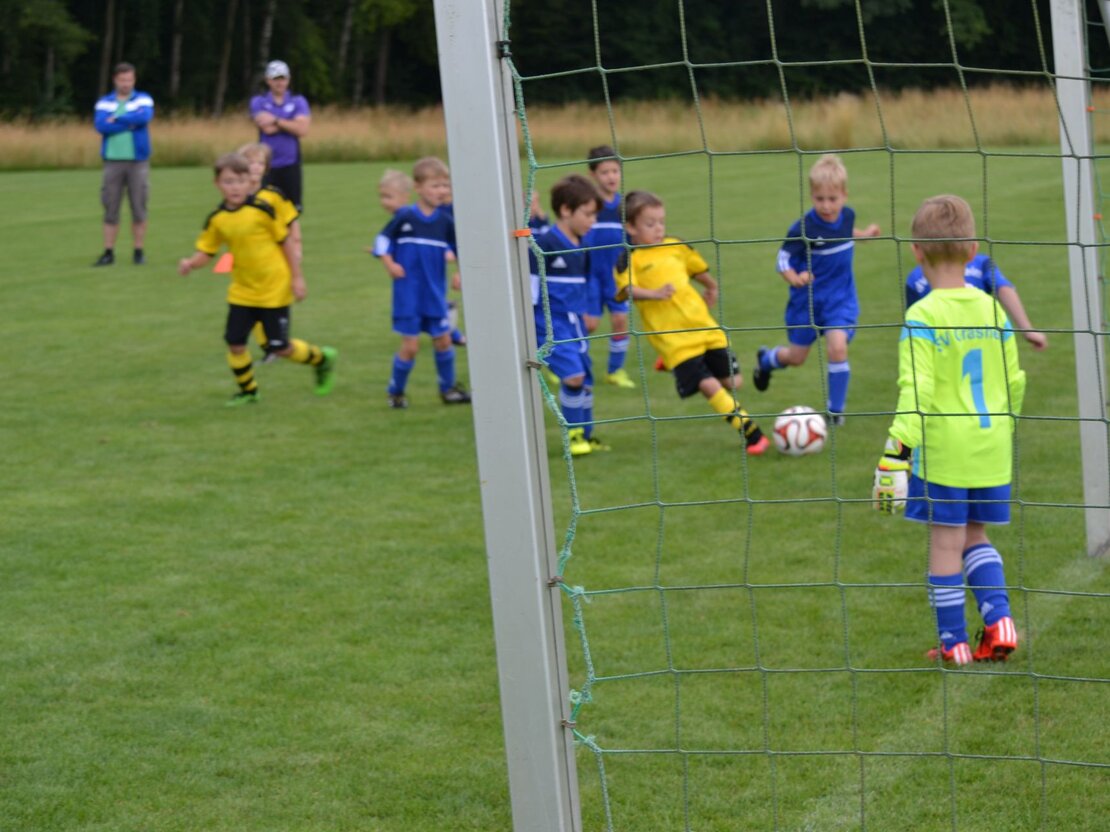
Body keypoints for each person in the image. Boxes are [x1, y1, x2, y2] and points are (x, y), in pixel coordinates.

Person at [873, 194, 1025, 666]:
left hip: (945, 450)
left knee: (945, 542)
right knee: (976, 535)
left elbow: (915, 391)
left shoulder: (922, 315)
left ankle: (953, 642)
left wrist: (896, 454)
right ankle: (1000, 621)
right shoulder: (994, 311)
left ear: (916, 252)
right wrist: (1003, 430)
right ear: (974, 250)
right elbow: (1016, 380)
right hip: (992, 444)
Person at [615, 190, 769, 455]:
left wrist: (711, 287)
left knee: (733, 383)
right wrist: (654, 293)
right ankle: (751, 433)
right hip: (673, 339)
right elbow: (626, 290)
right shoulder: (629, 259)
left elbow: (697, 268)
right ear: (630, 227)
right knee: (708, 385)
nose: (658, 229)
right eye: (650, 224)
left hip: (704, 326)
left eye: (661, 222)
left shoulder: (676, 246)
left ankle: (672, 365)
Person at [177, 153, 337, 406]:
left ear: (249, 182)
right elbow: (207, 250)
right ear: (217, 184)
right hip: (242, 291)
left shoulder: (262, 210)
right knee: (235, 344)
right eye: (228, 182)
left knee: (280, 347)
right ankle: (249, 392)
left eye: (241, 181)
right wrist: (190, 263)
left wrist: (297, 278)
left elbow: (285, 242)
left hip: (274, 288)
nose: (235, 187)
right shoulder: (217, 219)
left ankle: (322, 359)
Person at [752, 154, 881, 425]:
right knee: (796, 357)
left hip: (840, 301)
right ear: (811, 195)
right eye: (819, 199)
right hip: (807, 303)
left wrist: (866, 235)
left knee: (837, 348)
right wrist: (794, 278)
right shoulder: (804, 227)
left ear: (844, 195)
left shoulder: (847, 216)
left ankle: (835, 412)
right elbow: (782, 259)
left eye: (832, 199)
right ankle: (767, 360)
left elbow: (846, 232)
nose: (826, 205)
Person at [374, 157, 471, 409]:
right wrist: (389, 263)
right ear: (418, 187)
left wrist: (460, 273)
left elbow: (459, 249)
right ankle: (395, 393)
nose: (442, 191)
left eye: (445, 186)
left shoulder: (445, 222)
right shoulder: (405, 217)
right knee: (411, 347)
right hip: (408, 296)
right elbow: (382, 240)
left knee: (443, 341)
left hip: (435, 295)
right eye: (435, 186)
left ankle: (448, 390)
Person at [529, 174, 606, 456]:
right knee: (573, 377)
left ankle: (586, 434)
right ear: (565, 210)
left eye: (595, 215)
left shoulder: (582, 245)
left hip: (575, 324)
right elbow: (530, 292)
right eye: (587, 214)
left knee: (586, 379)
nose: (592, 221)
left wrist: (588, 311)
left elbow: (585, 282)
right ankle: (572, 437)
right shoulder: (544, 245)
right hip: (551, 325)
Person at [239, 141, 302, 362]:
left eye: (260, 163)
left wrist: (297, 246)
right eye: (250, 162)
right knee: (252, 304)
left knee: (272, 304)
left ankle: (277, 345)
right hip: (249, 262)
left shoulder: (273, 195)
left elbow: (292, 221)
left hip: (276, 259)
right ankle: (269, 347)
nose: (255, 167)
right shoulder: (237, 198)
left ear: (266, 168)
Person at [905, 253, 1047, 350]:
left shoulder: (915, 277)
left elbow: (915, 325)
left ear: (918, 250)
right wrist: (1027, 330)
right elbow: (1004, 289)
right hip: (984, 340)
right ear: (972, 246)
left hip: (943, 346)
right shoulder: (981, 263)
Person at [583, 146, 634, 388]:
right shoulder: (587, 205)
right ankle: (570, 364)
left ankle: (615, 371)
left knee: (620, 320)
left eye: (615, 171)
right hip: (590, 275)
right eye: (605, 172)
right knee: (588, 324)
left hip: (617, 276)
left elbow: (633, 240)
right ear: (593, 174)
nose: (611, 177)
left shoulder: (625, 207)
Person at [93, 62, 154, 266]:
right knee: (111, 207)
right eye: (122, 80)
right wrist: (130, 123)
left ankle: (138, 251)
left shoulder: (143, 99)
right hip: (112, 161)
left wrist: (117, 118)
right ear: (115, 80)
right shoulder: (104, 102)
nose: (126, 84)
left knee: (139, 206)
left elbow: (145, 117)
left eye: (129, 80)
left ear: (134, 80)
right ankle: (108, 252)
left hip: (138, 161)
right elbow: (101, 126)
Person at [250, 60, 310, 211]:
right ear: (268, 80)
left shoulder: (298, 101)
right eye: (275, 78)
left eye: (282, 78)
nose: (279, 82)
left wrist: (275, 120)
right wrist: (291, 123)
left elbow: (302, 130)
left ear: (288, 79)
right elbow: (267, 129)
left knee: (292, 209)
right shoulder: (259, 101)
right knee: (264, 208)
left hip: (291, 163)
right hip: (266, 165)